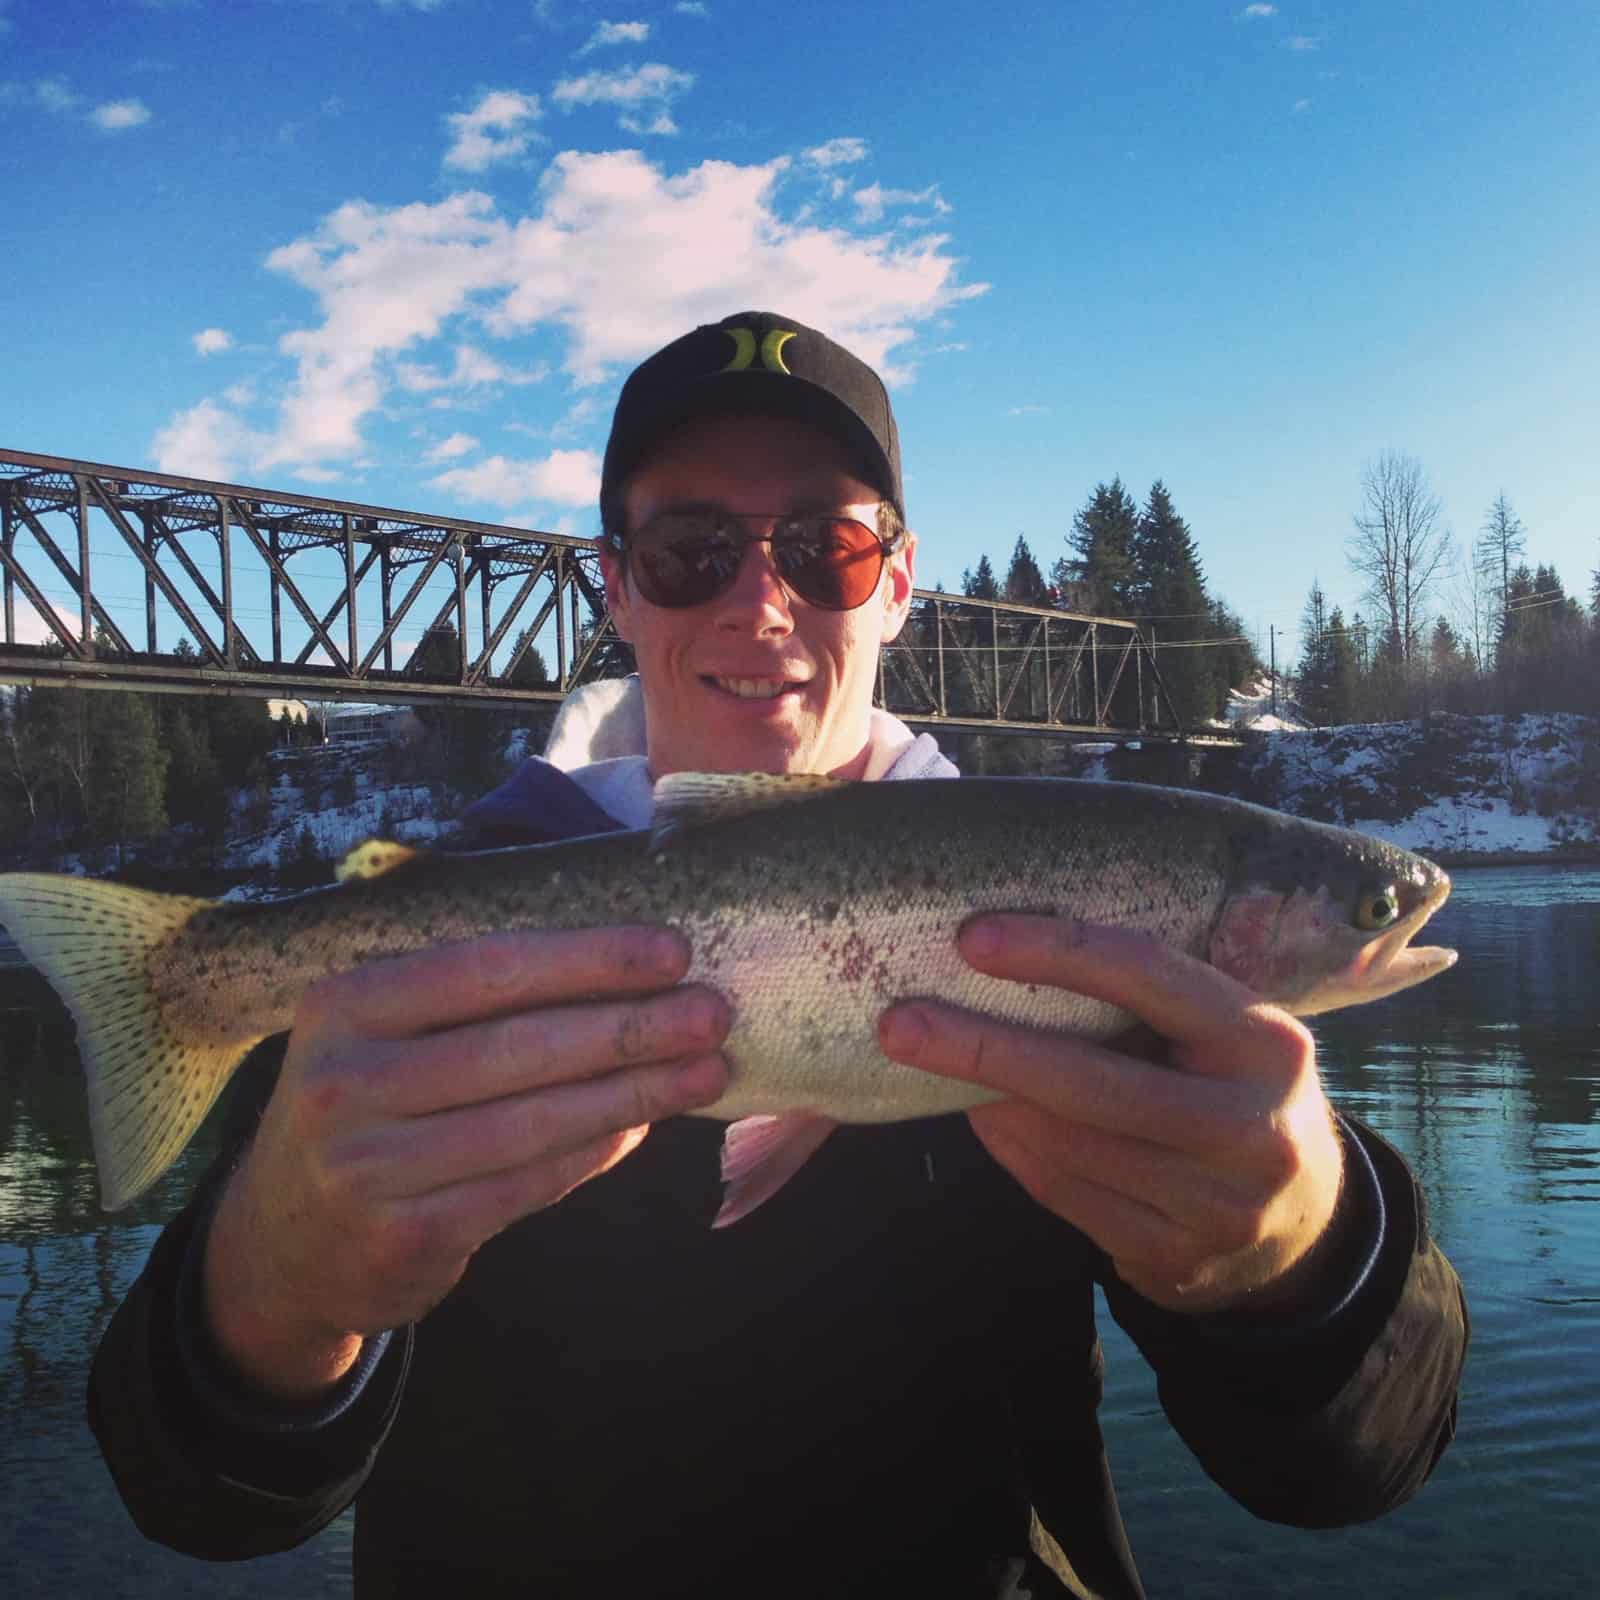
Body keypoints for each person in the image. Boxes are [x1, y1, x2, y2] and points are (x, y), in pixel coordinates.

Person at [89, 311, 1468, 1598]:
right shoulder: (434, 954)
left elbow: (1344, 1471)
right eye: (694, 549)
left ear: (897, 585)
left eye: (829, 546)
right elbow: (202, 1504)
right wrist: (274, 1289)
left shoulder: (1101, 929)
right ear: (616, 588)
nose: (762, 603)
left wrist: (1304, 1252)